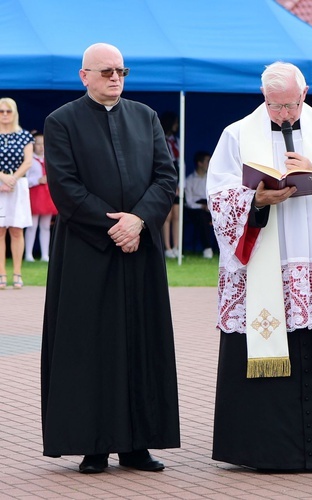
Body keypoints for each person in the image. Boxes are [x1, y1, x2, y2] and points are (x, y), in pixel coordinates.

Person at [206, 61, 312, 472]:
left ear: (305, 93)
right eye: (274, 105)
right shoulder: (237, 134)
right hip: (264, 255)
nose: (282, 114)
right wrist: (255, 201)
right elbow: (219, 195)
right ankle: (261, 448)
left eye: (289, 105)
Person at [41, 42, 180, 474]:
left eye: (121, 70)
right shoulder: (61, 121)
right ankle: (94, 444)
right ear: (84, 76)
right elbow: (64, 188)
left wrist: (139, 221)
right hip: (88, 251)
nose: (115, 78)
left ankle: (138, 444)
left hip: (141, 249)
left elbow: (165, 177)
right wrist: (115, 228)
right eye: (106, 71)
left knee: (142, 343)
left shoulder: (146, 117)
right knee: (92, 349)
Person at [0, 97, 33, 290]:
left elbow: (28, 162)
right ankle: (1, 273)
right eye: (1, 111)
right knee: (0, 230)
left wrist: (12, 179)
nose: (4, 115)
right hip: (1, 184)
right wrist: (3, 178)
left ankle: (17, 273)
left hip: (18, 186)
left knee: (17, 230)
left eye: (8, 111)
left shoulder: (24, 135)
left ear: (14, 113)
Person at [25, 131, 58, 263]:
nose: (41, 147)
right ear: (33, 145)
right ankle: (29, 254)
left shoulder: (50, 159)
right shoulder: (29, 160)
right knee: (32, 225)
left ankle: (45, 254)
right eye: (38, 144)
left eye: (43, 144)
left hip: (47, 194)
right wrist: (37, 180)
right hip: (34, 194)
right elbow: (24, 179)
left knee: (45, 225)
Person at [184, 151, 214, 258]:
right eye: (207, 161)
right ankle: (207, 249)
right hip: (196, 209)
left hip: (210, 206)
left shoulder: (211, 179)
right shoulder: (189, 180)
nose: (209, 164)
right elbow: (189, 202)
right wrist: (202, 207)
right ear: (199, 163)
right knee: (202, 217)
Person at [160, 111, 181, 258]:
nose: (177, 125)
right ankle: (167, 247)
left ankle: (177, 247)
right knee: (166, 216)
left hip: (177, 178)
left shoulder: (176, 140)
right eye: (175, 122)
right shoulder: (160, 139)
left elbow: (181, 162)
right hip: (165, 179)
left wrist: (180, 185)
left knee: (177, 215)